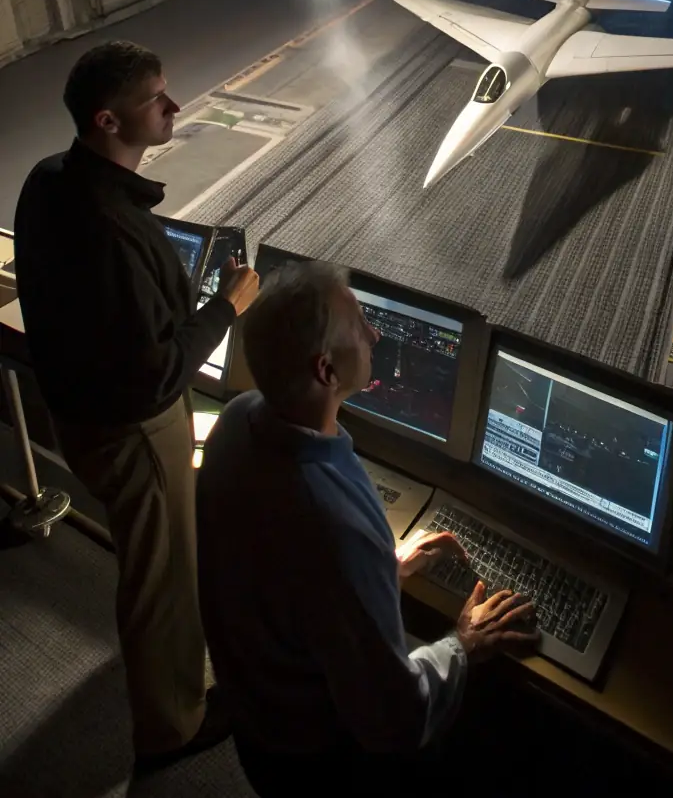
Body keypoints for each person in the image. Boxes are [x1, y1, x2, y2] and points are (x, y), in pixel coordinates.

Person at [196, 260, 538, 795]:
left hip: (257, 718)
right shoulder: (333, 523)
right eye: (359, 325)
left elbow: (290, 584)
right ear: (327, 372)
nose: (375, 334)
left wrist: (384, 570)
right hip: (316, 760)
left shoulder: (237, 421)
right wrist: (464, 643)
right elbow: (395, 716)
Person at [13, 40, 260, 771]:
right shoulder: (113, 228)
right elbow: (157, 373)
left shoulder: (48, 179)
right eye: (156, 97)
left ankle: (164, 671)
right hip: (134, 431)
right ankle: (170, 727)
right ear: (108, 120)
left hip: (79, 415)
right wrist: (226, 305)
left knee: (150, 563)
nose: (174, 105)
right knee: (164, 576)